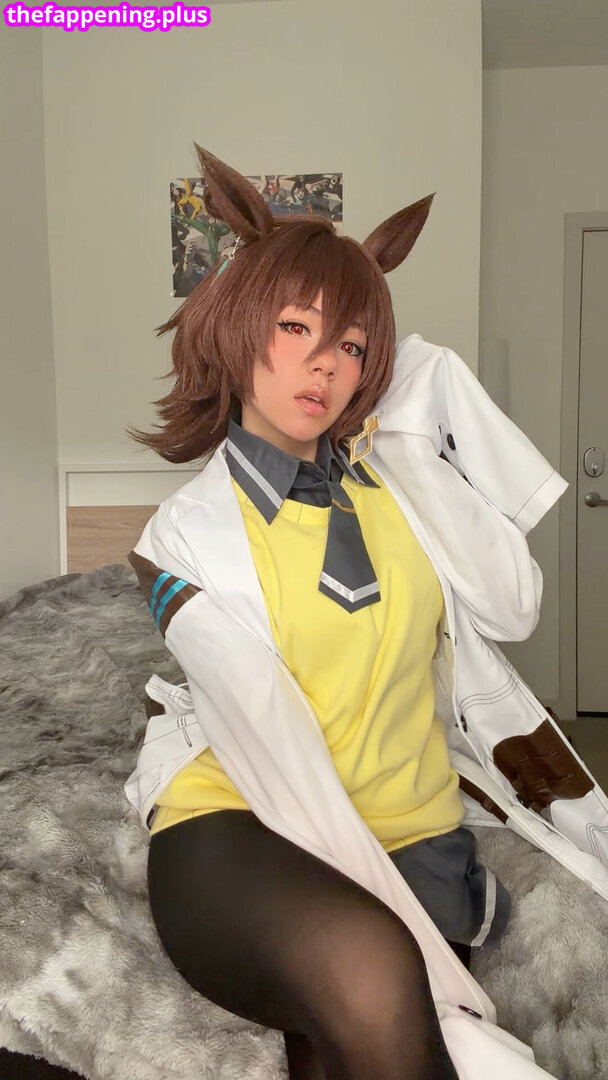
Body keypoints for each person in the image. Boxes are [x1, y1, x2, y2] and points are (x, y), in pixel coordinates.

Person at [125, 144, 572, 1080]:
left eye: (354, 346)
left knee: (354, 1025)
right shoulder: (180, 538)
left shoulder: (400, 486)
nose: (323, 365)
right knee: (370, 973)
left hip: (412, 827)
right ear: (239, 327)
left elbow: (515, 607)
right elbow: (275, 747)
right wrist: (401, 928)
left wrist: (412, 444)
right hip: (242, 818)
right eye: (295, 327)